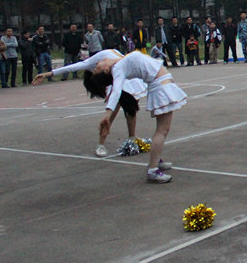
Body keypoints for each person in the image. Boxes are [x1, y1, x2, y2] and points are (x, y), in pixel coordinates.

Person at [88, 51, 186, 183]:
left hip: (162, 85)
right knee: (162, 130)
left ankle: (155, 160)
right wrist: (107, 115)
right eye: (96, 68)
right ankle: (153, 170)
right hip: (161, 87)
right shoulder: (118, 69)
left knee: (163, 130)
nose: (96, 64)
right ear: (105, 70)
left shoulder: (119, 62)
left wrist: (56, 71)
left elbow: (81, 65)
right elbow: (116, 92)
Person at [33, 48, 148, 157]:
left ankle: (132, 137)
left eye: (98, 66)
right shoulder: (98, 66)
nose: (97, 66)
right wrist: (48, 74)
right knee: (111, 114)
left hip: (128, 79)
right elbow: (73, 67)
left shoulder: (106, 59)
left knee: (130, 109)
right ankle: (101, 144)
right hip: (119, 81)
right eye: (96, 68)